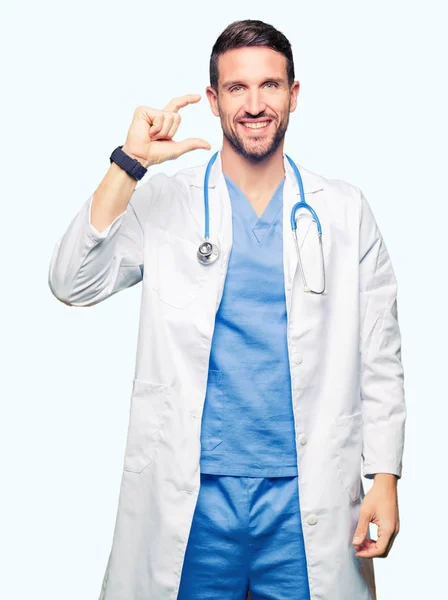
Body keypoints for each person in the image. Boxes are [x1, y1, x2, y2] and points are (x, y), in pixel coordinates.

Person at [48, 19, 406, 600]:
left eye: (270, 85)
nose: (255, 104)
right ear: (214, 101)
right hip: (193, 502)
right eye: (237, 88)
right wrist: (128, 165)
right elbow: (71, 281)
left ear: (294, 95)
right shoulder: (165, 201)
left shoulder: (343, 210)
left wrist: (384, 475)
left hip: (303, 497)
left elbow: (380, 353)